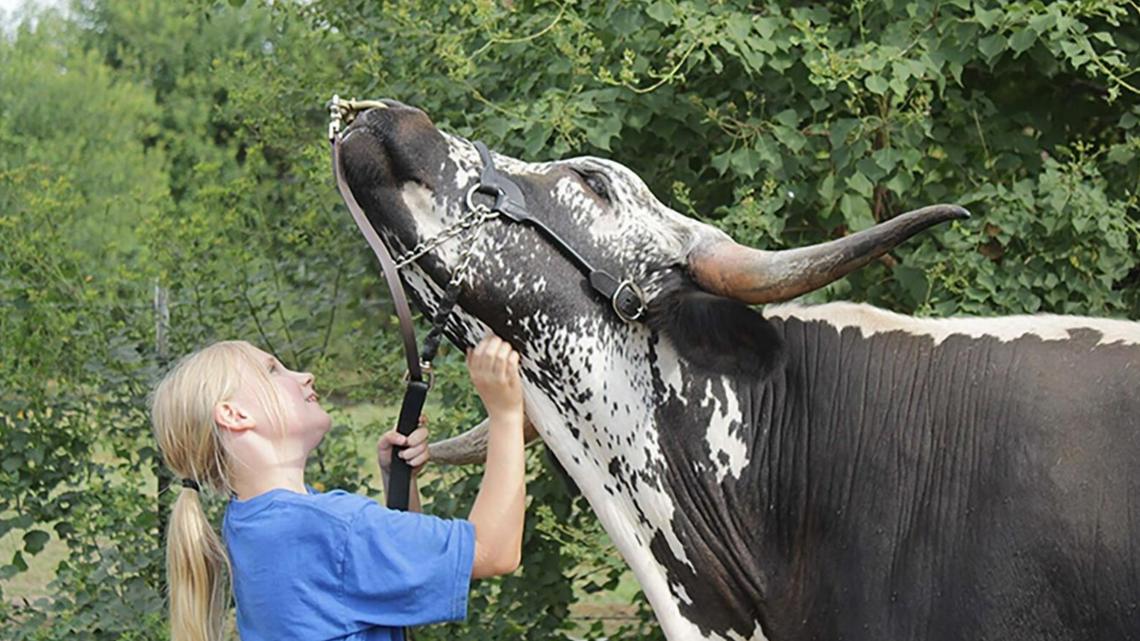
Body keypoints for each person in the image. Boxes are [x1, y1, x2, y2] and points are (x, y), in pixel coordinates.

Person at [150, 334, 527, 641]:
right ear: (235, 415)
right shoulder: (328, 526)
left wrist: (400, 481)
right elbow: (494, 553)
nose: (305, 375)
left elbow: (386, 581)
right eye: (272, 370)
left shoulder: (251, 522)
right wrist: (506, 414)